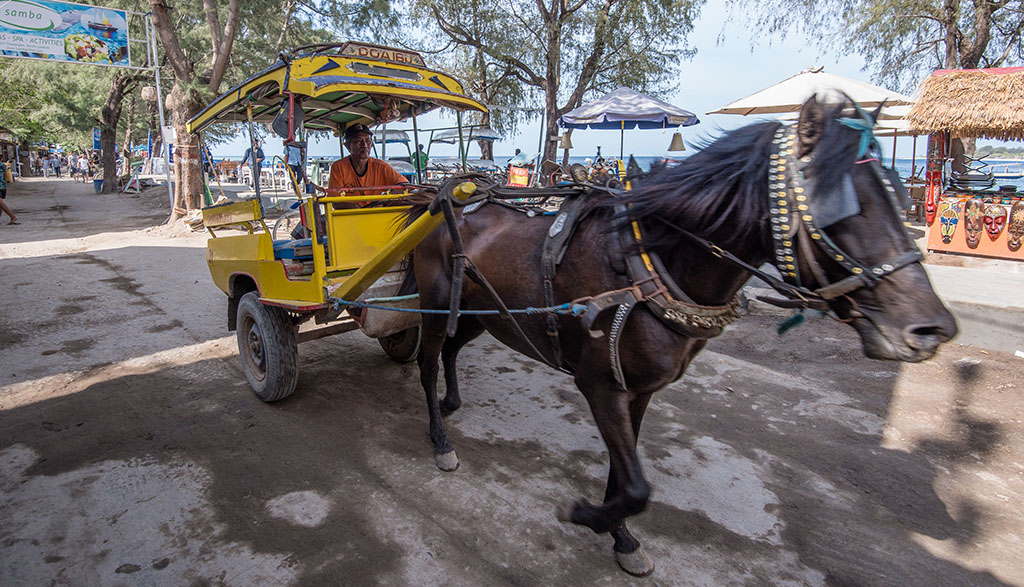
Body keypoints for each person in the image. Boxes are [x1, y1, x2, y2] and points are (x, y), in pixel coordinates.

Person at [328, 124, 406, 206]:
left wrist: (388, 198)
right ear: (347, 146)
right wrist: (349, 206)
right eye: (358, 141)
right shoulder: (339, 167)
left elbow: (405, 185)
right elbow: (335, 201)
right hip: (350, 216)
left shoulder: (381, 167)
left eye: (368, 141)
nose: (365, 145)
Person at [0, 159, 18, 224]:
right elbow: (5, 175)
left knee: (0, 202)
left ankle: (12, 216)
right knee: (0, 203)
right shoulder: (3, 165)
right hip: (2, 185)